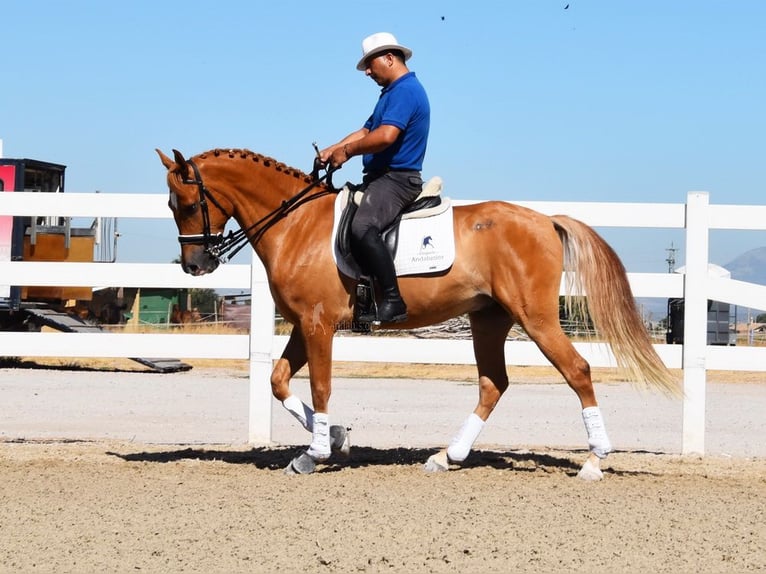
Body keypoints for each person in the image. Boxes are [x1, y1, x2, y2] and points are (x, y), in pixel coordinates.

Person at [320, 32, 430, 324]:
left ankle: (394, 299)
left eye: (370, 64)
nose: (367, 71)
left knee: (363, 226)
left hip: (397, 180)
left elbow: (385, 136)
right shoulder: (391, 94)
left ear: (390, 59)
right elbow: (367, 131)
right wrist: (334, 148)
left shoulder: (406, 91)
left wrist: (348, 152)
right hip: (380, 178)